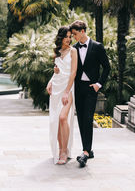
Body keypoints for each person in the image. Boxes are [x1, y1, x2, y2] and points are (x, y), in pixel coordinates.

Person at [69, 20, 110, 168]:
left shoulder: (97, 47)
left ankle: (85, 152)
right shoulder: (73, 48)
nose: (73, 37)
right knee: (80, 119)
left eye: (74, 34)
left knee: (88, 118)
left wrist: (99, 85)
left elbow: (107, 67)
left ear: (82, 31)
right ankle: (88, 149)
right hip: (78, 88)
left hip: (91, 88)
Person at [46, 26, 77, 165]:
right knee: (57, 120)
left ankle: (65, 151)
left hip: (68, 88)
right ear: (61, 37)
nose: (69, 40)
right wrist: (50, 81)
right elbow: (57, 71)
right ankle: (60, 150)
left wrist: (66, 91)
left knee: (63, 117)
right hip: (56, 88)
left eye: (70, 37)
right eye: (66, 37)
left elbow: (73, 73)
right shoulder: (58, 52)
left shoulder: (73, 51)